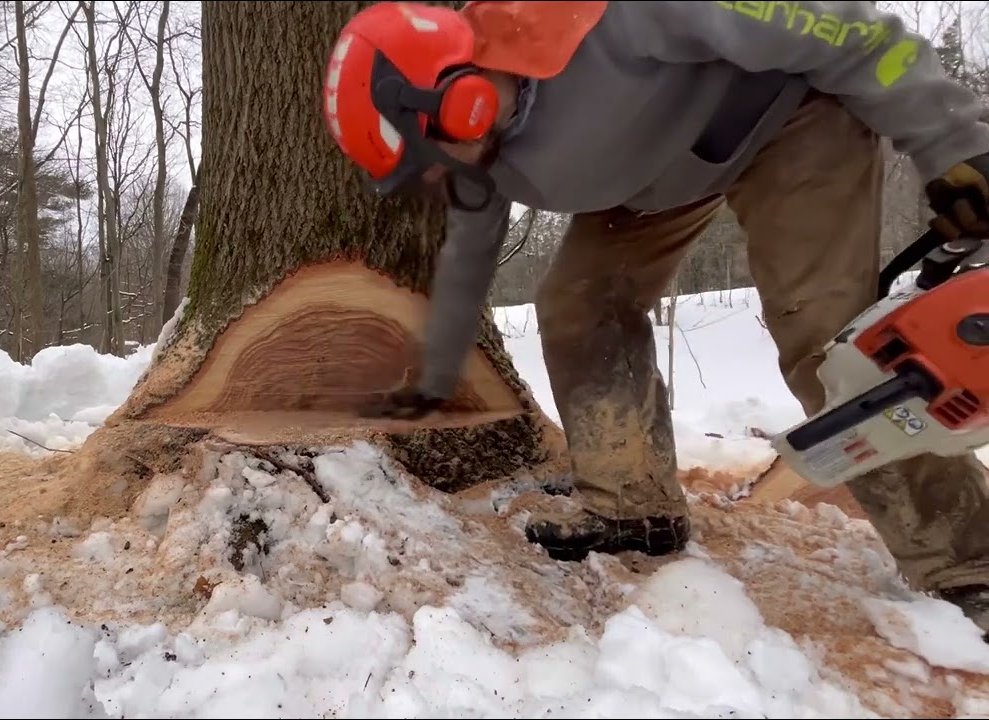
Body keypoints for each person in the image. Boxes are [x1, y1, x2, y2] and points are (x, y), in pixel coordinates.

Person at [321, 0, 989, 632]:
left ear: (461, 99)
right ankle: (632, 506)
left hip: (789, 120)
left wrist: (953, 142)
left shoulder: (616, 19)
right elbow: (470, 256)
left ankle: (969, 562)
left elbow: (849, 29)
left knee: (825, 342)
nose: (435, 180)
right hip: (659, 177)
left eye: (432, 159)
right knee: (579, 308)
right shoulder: (483, 157)